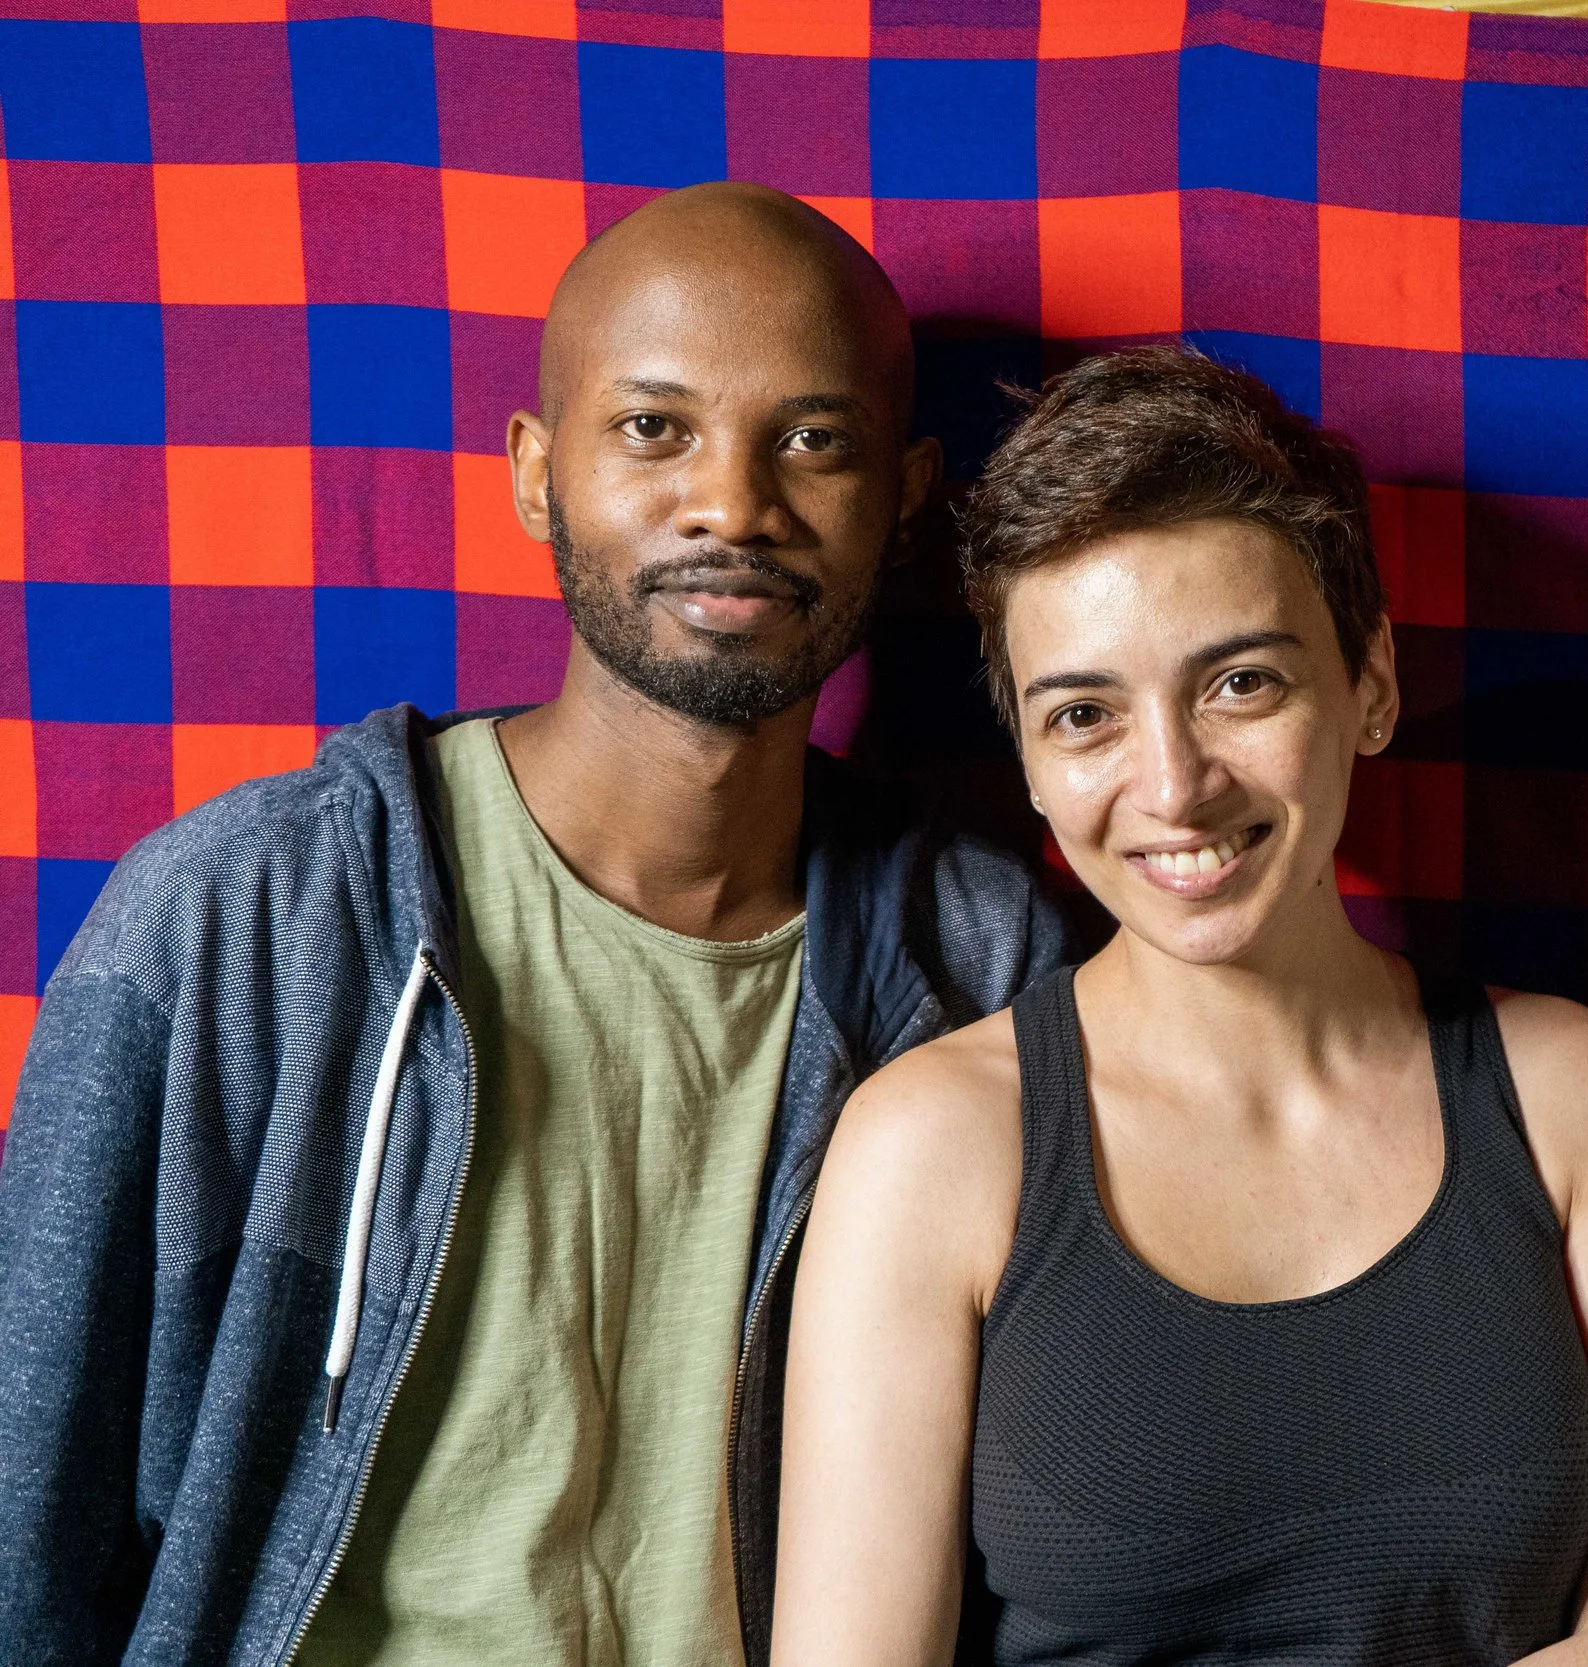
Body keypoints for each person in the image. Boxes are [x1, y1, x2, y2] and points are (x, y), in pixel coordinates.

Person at [0, 182, 1066, 1667]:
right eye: (654, 428)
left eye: (814, 440)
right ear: (535, 472)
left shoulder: (989, 964)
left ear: (904, 494)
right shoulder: (239, 916)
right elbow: (25, 1504)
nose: (732, 503)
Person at [769, 347, 1588, 1665]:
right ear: (1032, 763)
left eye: (1241, 683)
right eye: (1085, 714)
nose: (1174, 786)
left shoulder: (1568, 1088)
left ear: (1371, 682)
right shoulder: (930, 1142)